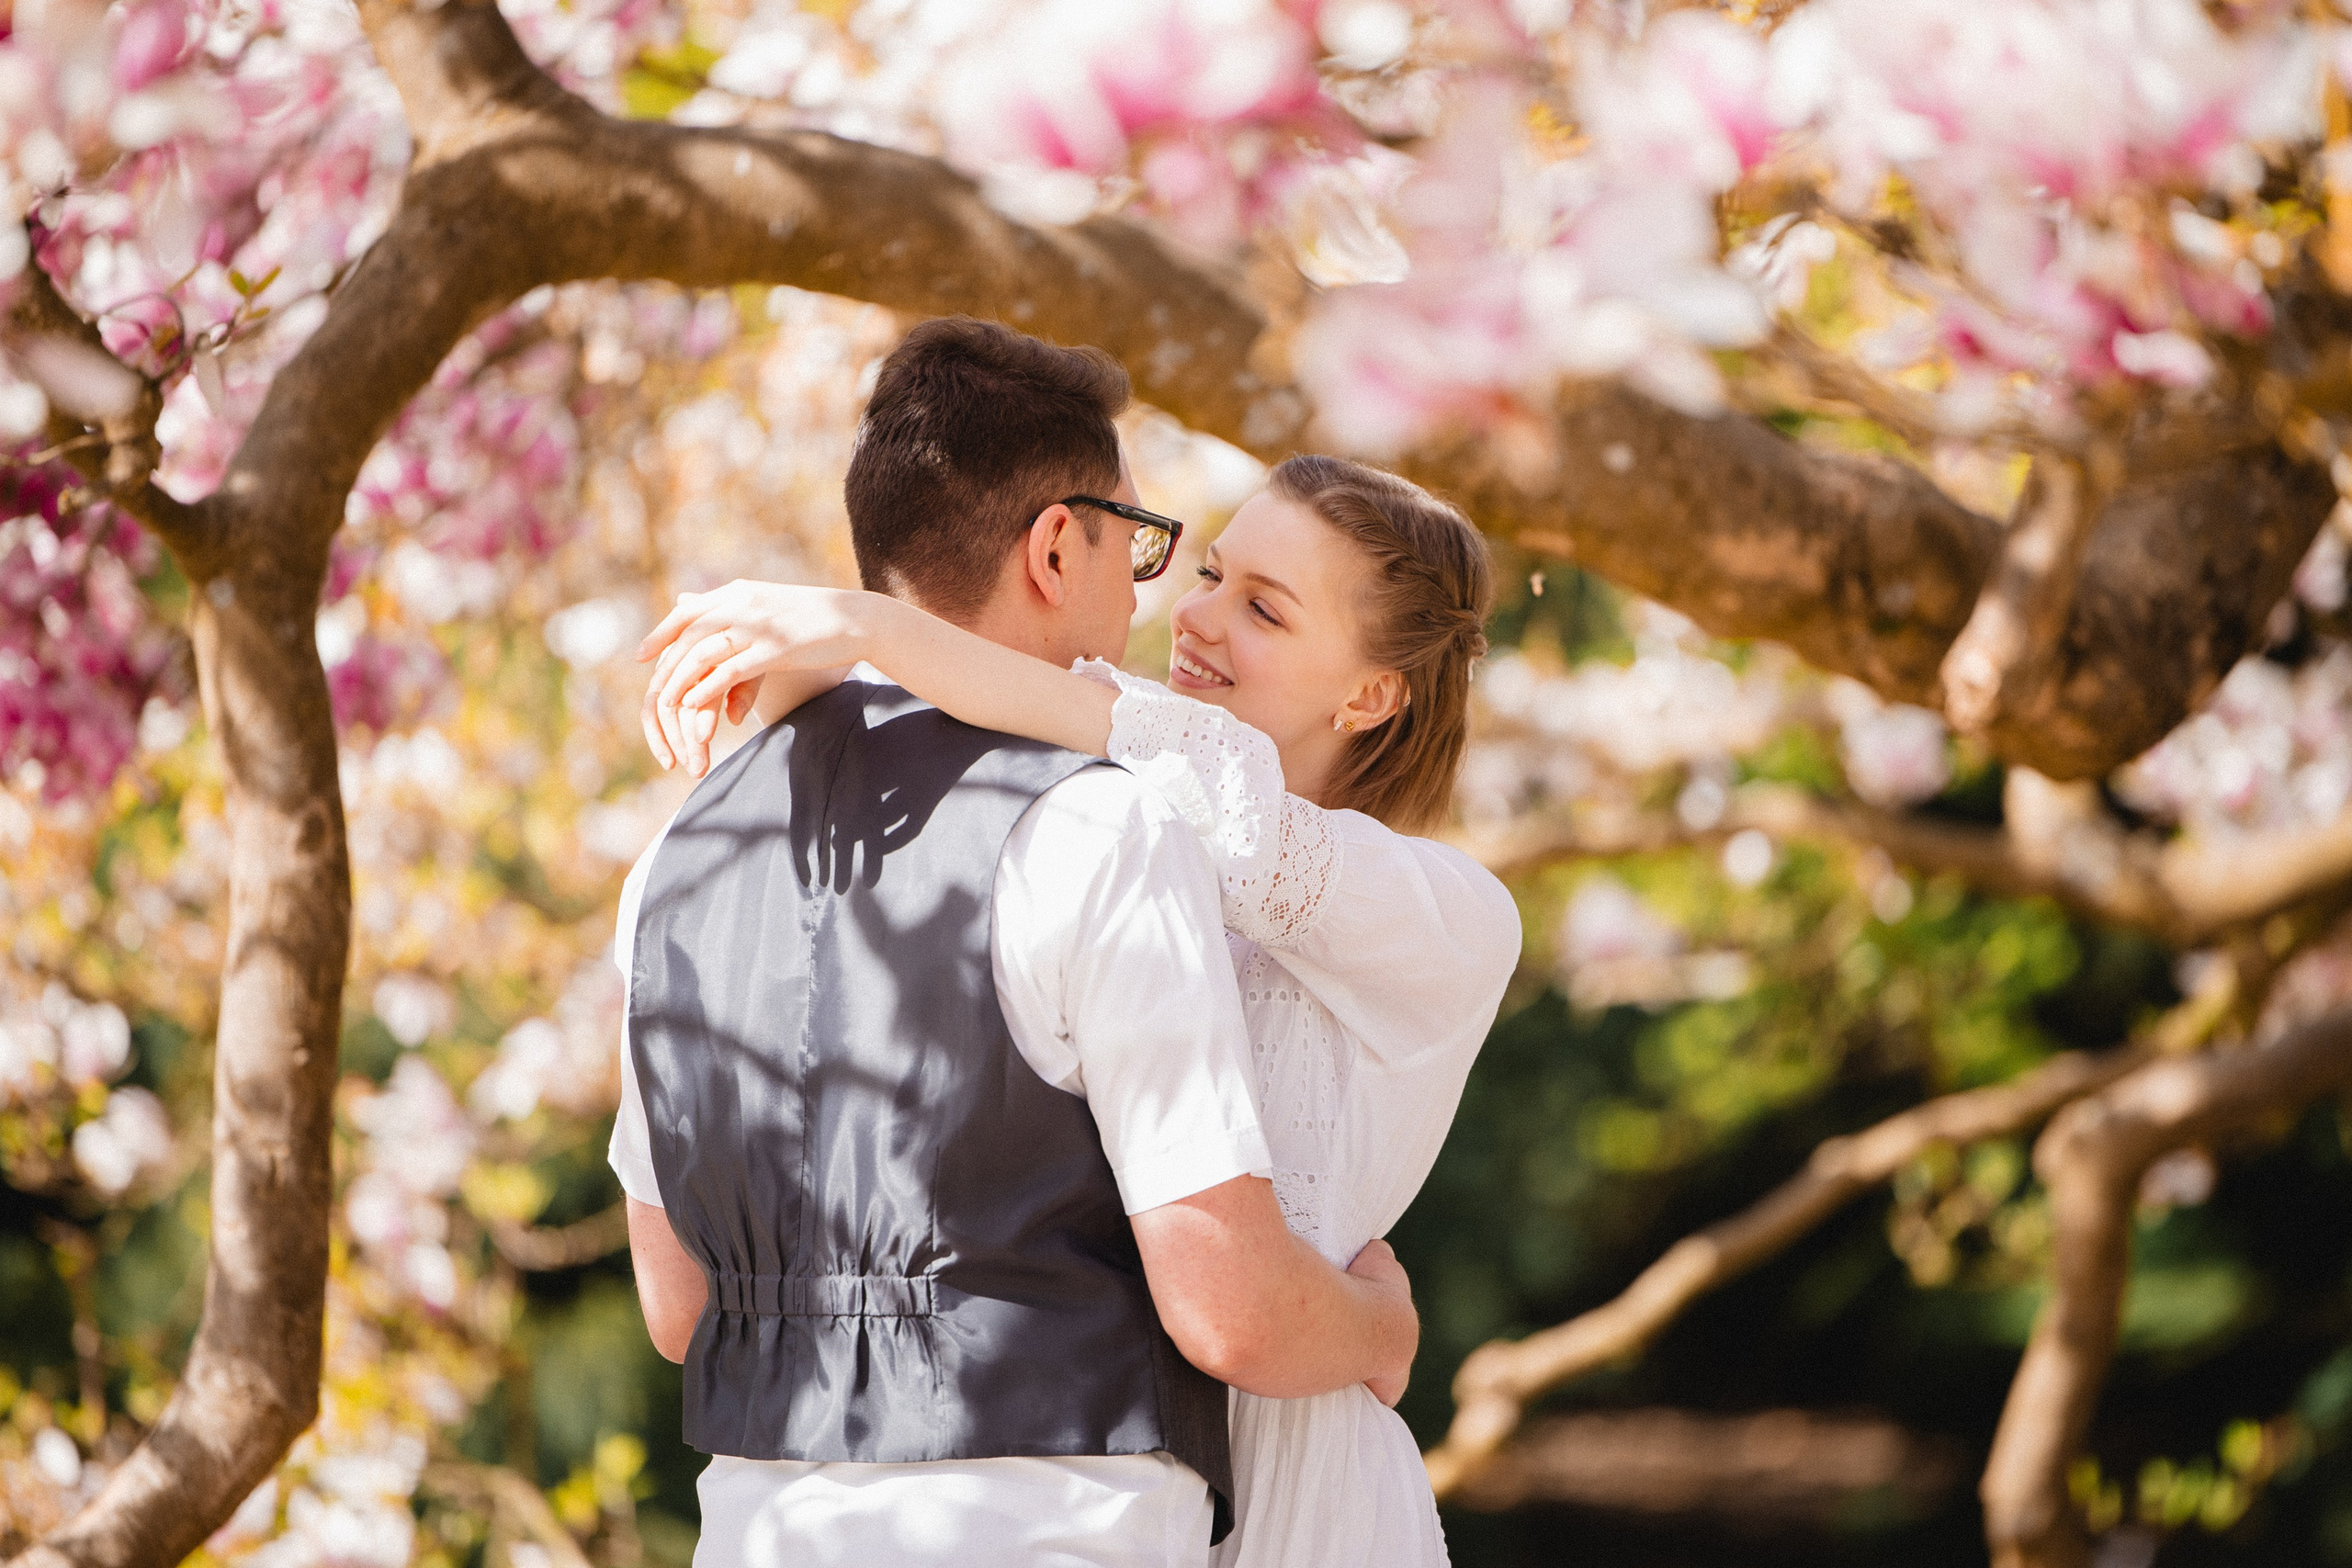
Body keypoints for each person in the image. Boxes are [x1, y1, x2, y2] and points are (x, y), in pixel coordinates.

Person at [606, 318, 1421, 1568]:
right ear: (1055, 546)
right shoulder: (1102, 826)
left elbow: (679, 1308)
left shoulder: (678, 860)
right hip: (1051, 1529)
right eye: (1140, 549)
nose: (1152, 599)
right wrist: (1377, 1323)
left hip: (762, 1534)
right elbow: (1232, 1308)